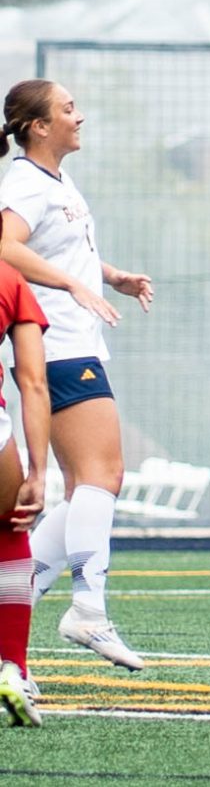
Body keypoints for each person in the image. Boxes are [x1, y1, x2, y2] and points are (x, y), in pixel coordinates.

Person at [0, 79, 153, 672]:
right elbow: (6, 245)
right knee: (102, 475)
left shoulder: (54, 181)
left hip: (73, 341)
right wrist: (69, 285)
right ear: (38, 126)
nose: (79, 117)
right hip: (56, 343)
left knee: (95, 480)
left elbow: (62, 252)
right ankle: (87, 607)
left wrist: (109, 275)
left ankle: (26, 590)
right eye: (68, 109)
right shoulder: (23, 183)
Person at [0, 208, 51, 727]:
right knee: (10, 533)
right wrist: (38, 471)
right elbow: (32, 383)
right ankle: (11, 666)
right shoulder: (9, 278)